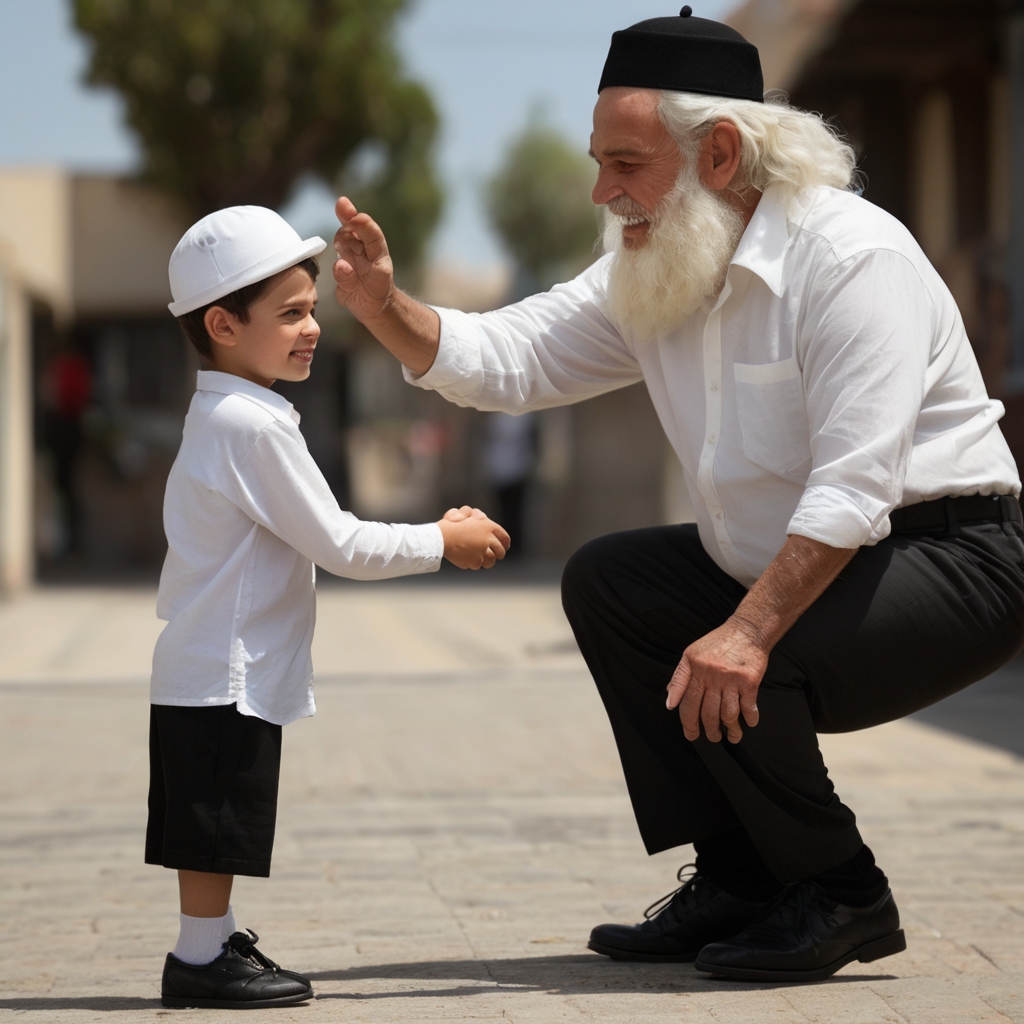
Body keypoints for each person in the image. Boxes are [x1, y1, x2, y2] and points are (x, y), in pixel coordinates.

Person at [329, 8, 1024, 984]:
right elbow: (513, 354)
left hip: (952, 560)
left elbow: (854, 484)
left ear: (722, 152)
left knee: (752, 650)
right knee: (615, 582)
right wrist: (384, 309)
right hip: (815, 556)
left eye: (625, 163)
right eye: (597, 161)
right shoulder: (651, 269)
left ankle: (840, 892)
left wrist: (743, 632)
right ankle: (741, 878)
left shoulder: (850, 257)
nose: (603, 191)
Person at [151, 206, 510, 1009]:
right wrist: (440, 542)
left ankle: (209, 945)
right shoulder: (252, 428)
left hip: (206, 662)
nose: (313, 327)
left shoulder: (225, 413)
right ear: (221, 323)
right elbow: (341, 545)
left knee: (214, 822)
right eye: (291, 314)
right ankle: (200, 960)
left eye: (312, 308)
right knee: (215, 822)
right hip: (224, 669)